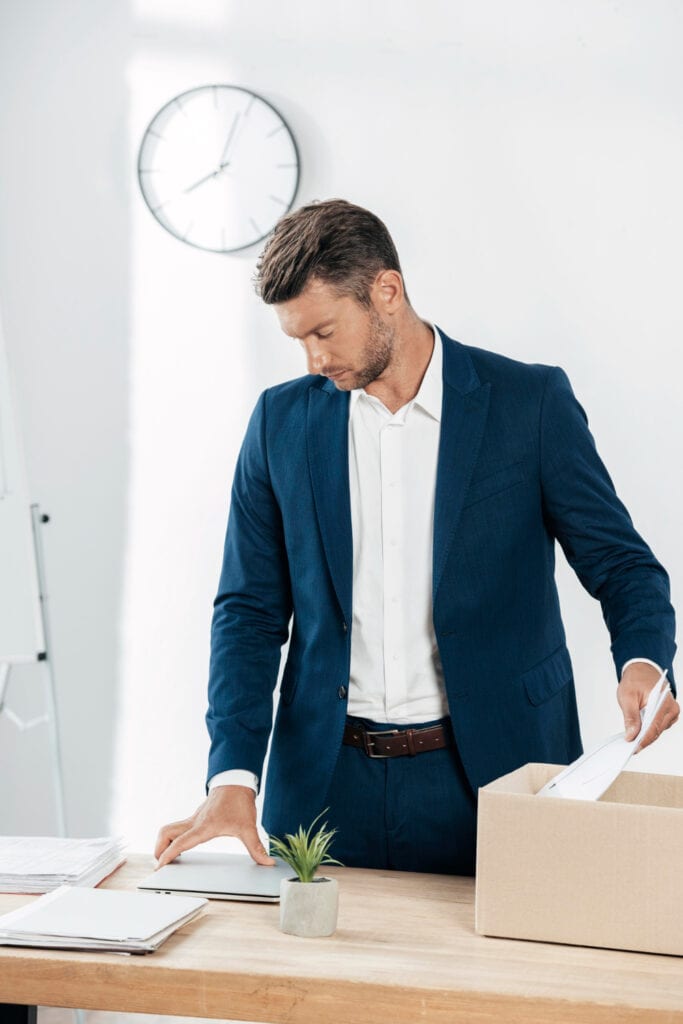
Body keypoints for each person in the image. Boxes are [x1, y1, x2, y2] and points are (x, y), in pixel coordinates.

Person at [155, 199, 678, 876]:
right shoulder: (278, 424)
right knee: (307, 981)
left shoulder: (529, 404)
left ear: (386, 291)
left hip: (496, 774)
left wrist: (641, 661)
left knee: (503, 977)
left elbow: (621, 565)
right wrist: (232, 776)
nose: (313, 359)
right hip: (322, 784)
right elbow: (248, 613)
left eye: (324, 332)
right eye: (298, 341)